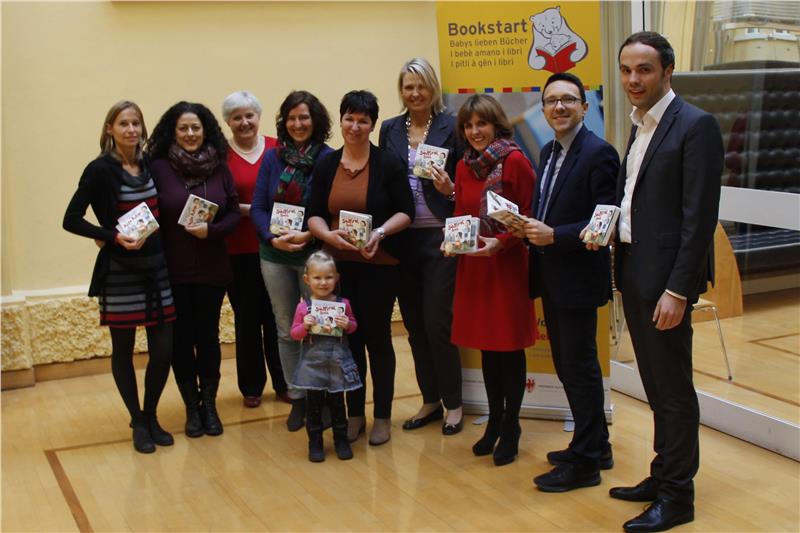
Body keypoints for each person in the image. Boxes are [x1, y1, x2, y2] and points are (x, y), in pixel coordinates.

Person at [598, 32, 722, 533]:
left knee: (673, 391)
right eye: (627, 69)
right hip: (635, 272)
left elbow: (698, 220)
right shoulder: (640, 123)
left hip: (666, 284)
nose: (633, 79)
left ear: (667, 71)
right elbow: (639, 201)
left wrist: (678, 290)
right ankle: (661, 473)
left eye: (644, 69)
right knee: (655, 385)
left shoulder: (695, 125)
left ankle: (677, 497)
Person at [516, 73, 620, 491]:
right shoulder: (548, 150)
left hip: (577, 279)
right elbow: (548, 207)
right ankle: (598, 445)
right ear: (543, 108)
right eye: (551, 100)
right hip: (552, 276)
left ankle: (586, 463)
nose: (559, 107)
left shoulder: (599, 153)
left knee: (579, 369)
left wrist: (554, 235)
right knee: (570, 366)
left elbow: (605, 221)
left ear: (584, 107)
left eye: (568, 100)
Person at [63, 101, 175, 454]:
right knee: (123, 351)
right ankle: (137, 421)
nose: (131, 130)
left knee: (163, 351)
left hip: (156, 269)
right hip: (120, 273)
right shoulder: (99, 169)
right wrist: (110, 236)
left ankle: (152, 414)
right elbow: (71, 218)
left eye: (136, 123)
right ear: (110, 128)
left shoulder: (150, 164)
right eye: (123, 123)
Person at [307, 90, 414, 446]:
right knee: (348, 344)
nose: (355, 126)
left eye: (363, 120)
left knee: (378, 341)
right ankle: (355, 415)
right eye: (349, 119)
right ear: (340, 121)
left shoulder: (388, 163)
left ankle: (382, 416)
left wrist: (379, 233)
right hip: (337, 270)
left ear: (372, 124)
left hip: (378, 266)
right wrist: (329, 236)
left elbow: (406, 211)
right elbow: (314, 214)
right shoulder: (327, 164)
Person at [445, 94, 537, 466]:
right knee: (487, 348)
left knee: (509, 349)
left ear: (496, 124)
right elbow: (460, 213)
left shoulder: (515, 161)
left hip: (506, 266)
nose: (474, 131)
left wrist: (500, 242)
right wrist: (453, 241)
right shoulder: (464, 165)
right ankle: (494, 420)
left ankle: (511, 426)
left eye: (481, 123)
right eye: (468, 126)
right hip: (475, 268)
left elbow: (529, 214)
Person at [378, 57, 465, 435]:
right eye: (408, 87)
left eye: (421, 86)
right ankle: (430, 400)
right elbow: (384, 180)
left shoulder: (452, 126)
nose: (415, 93)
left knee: (437, 323)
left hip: (441, 237)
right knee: (414, 326)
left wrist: (451, 190)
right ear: (401, 91)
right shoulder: (389, 129)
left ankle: (454, 404)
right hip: (403, 239)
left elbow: (466, 182)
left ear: (433, 88)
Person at [147, 101, 242, 438]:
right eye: (183, 128)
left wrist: (211, 231)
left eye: (196, 128)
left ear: (206, 131)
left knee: (208, 338)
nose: (190, 133)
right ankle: (191, 408)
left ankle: (209, 406)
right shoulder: (158, 168)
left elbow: (234, 214)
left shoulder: (220, 166)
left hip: (212, 269)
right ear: (173, 132)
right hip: (172, 271)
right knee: (181, 340)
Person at [251, 90, 334, 431]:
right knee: (287, 331)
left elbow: (330, 208)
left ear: (316, 121)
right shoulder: (273, 158)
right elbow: (258, 207)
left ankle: (323, 399)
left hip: (314, 258)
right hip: (274, 256)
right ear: (284, 122)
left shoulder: (328, 158)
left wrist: (310, 235)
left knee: (320, 329)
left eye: (304, 117)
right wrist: (271, 238)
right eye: (292, 118)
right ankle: (298, 397)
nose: (298, 124)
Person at [221, 90, 287, 409]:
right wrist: (251, 211)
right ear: (228, 122)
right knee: (247, 319)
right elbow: (217, 199)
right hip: (237, 251)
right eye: (237, 117)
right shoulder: (220, 155)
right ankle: (251, 386)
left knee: (277, 317)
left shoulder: (278, 148)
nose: (244, 122)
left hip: (275, 246)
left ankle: (284, 383)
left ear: (259, 117)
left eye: (249, 115)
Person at [289, 251, 362, 462]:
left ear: (336, 278)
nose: (323, 282)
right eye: (317, 278)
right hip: (313, 366)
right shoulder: (303, 307)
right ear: (307, 279)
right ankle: (315, 443)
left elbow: (353, 326)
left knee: (338, 405)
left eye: (328, 277)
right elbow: (294, 334)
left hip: (337, 363)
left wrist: (347, 324)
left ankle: (341, 441)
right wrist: (304, 326)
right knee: (314, 407)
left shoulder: (343, 304)